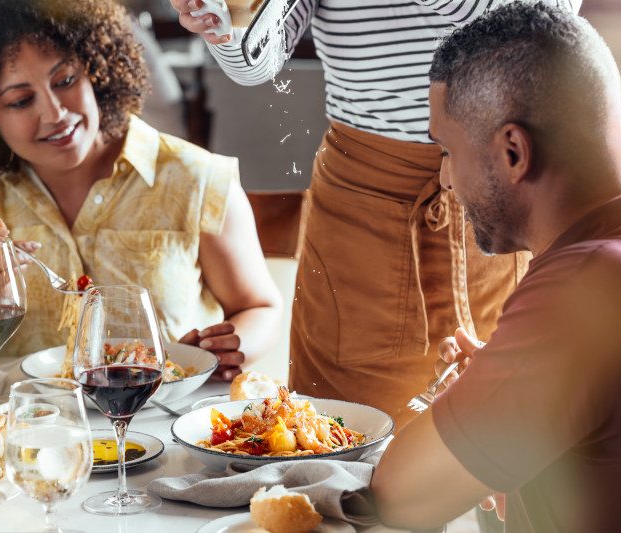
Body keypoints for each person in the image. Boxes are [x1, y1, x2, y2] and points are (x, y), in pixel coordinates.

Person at [171, 0, 579, 427]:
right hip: (360, 204)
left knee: (505, 430)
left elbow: (546, 16)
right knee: (334, 438)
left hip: (497, 184)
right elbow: (261, 55)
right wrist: (225, 22)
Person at [371, 4, 621, 532]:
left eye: (447, 149)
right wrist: (519, 397)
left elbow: (402, 495)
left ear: (512, 151)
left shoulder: (585, 287)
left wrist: (480, 404)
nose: (446, 180)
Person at [0, 0, 282, 381]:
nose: (55, 113)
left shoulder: (195, 177)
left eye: (66, 80)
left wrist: (227, 348)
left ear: (96, 70)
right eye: (20, 100)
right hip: (30, 426)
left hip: (162, 420)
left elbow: (260, 307)